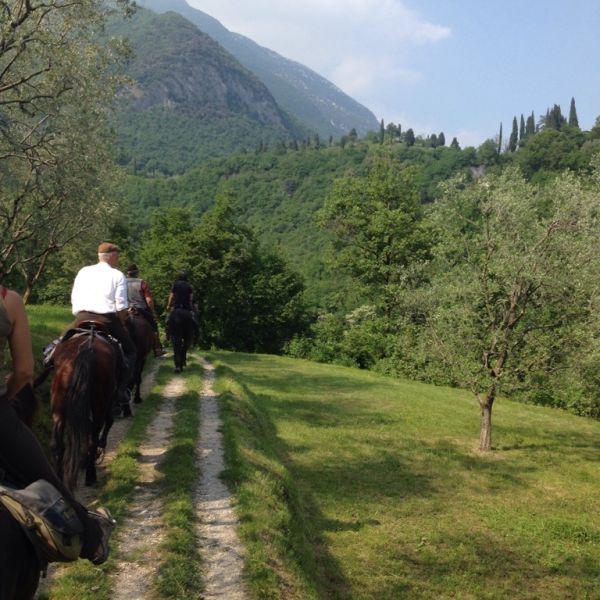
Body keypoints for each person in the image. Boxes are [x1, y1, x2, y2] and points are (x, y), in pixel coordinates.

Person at [0, 284, 114, 564]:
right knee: (45, 476)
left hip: (80, 318)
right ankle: (92, 538)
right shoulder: (9, 300)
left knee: (56, 351)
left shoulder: (85, 276)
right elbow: (25, 371)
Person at [69, 242, 136, 410]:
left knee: (56, 346)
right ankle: (121, 391)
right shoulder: (117, 275)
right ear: (112, 256)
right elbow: (121, 306)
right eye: (118, 256)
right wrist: (122, 320)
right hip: (106, 320)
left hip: (81, 317)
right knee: (131, 351)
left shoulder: (84, 271)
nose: (118, 260)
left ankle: (47, 374)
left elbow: (74, 298)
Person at [125, 264, 166, 357]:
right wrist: (153, 312)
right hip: (140, 309)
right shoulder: (142, 283)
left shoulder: (122, 282)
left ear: (127, 274)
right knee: (153, 326)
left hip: (125, 310)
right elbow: (149, 300)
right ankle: (157, 349)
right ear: (137, 273)